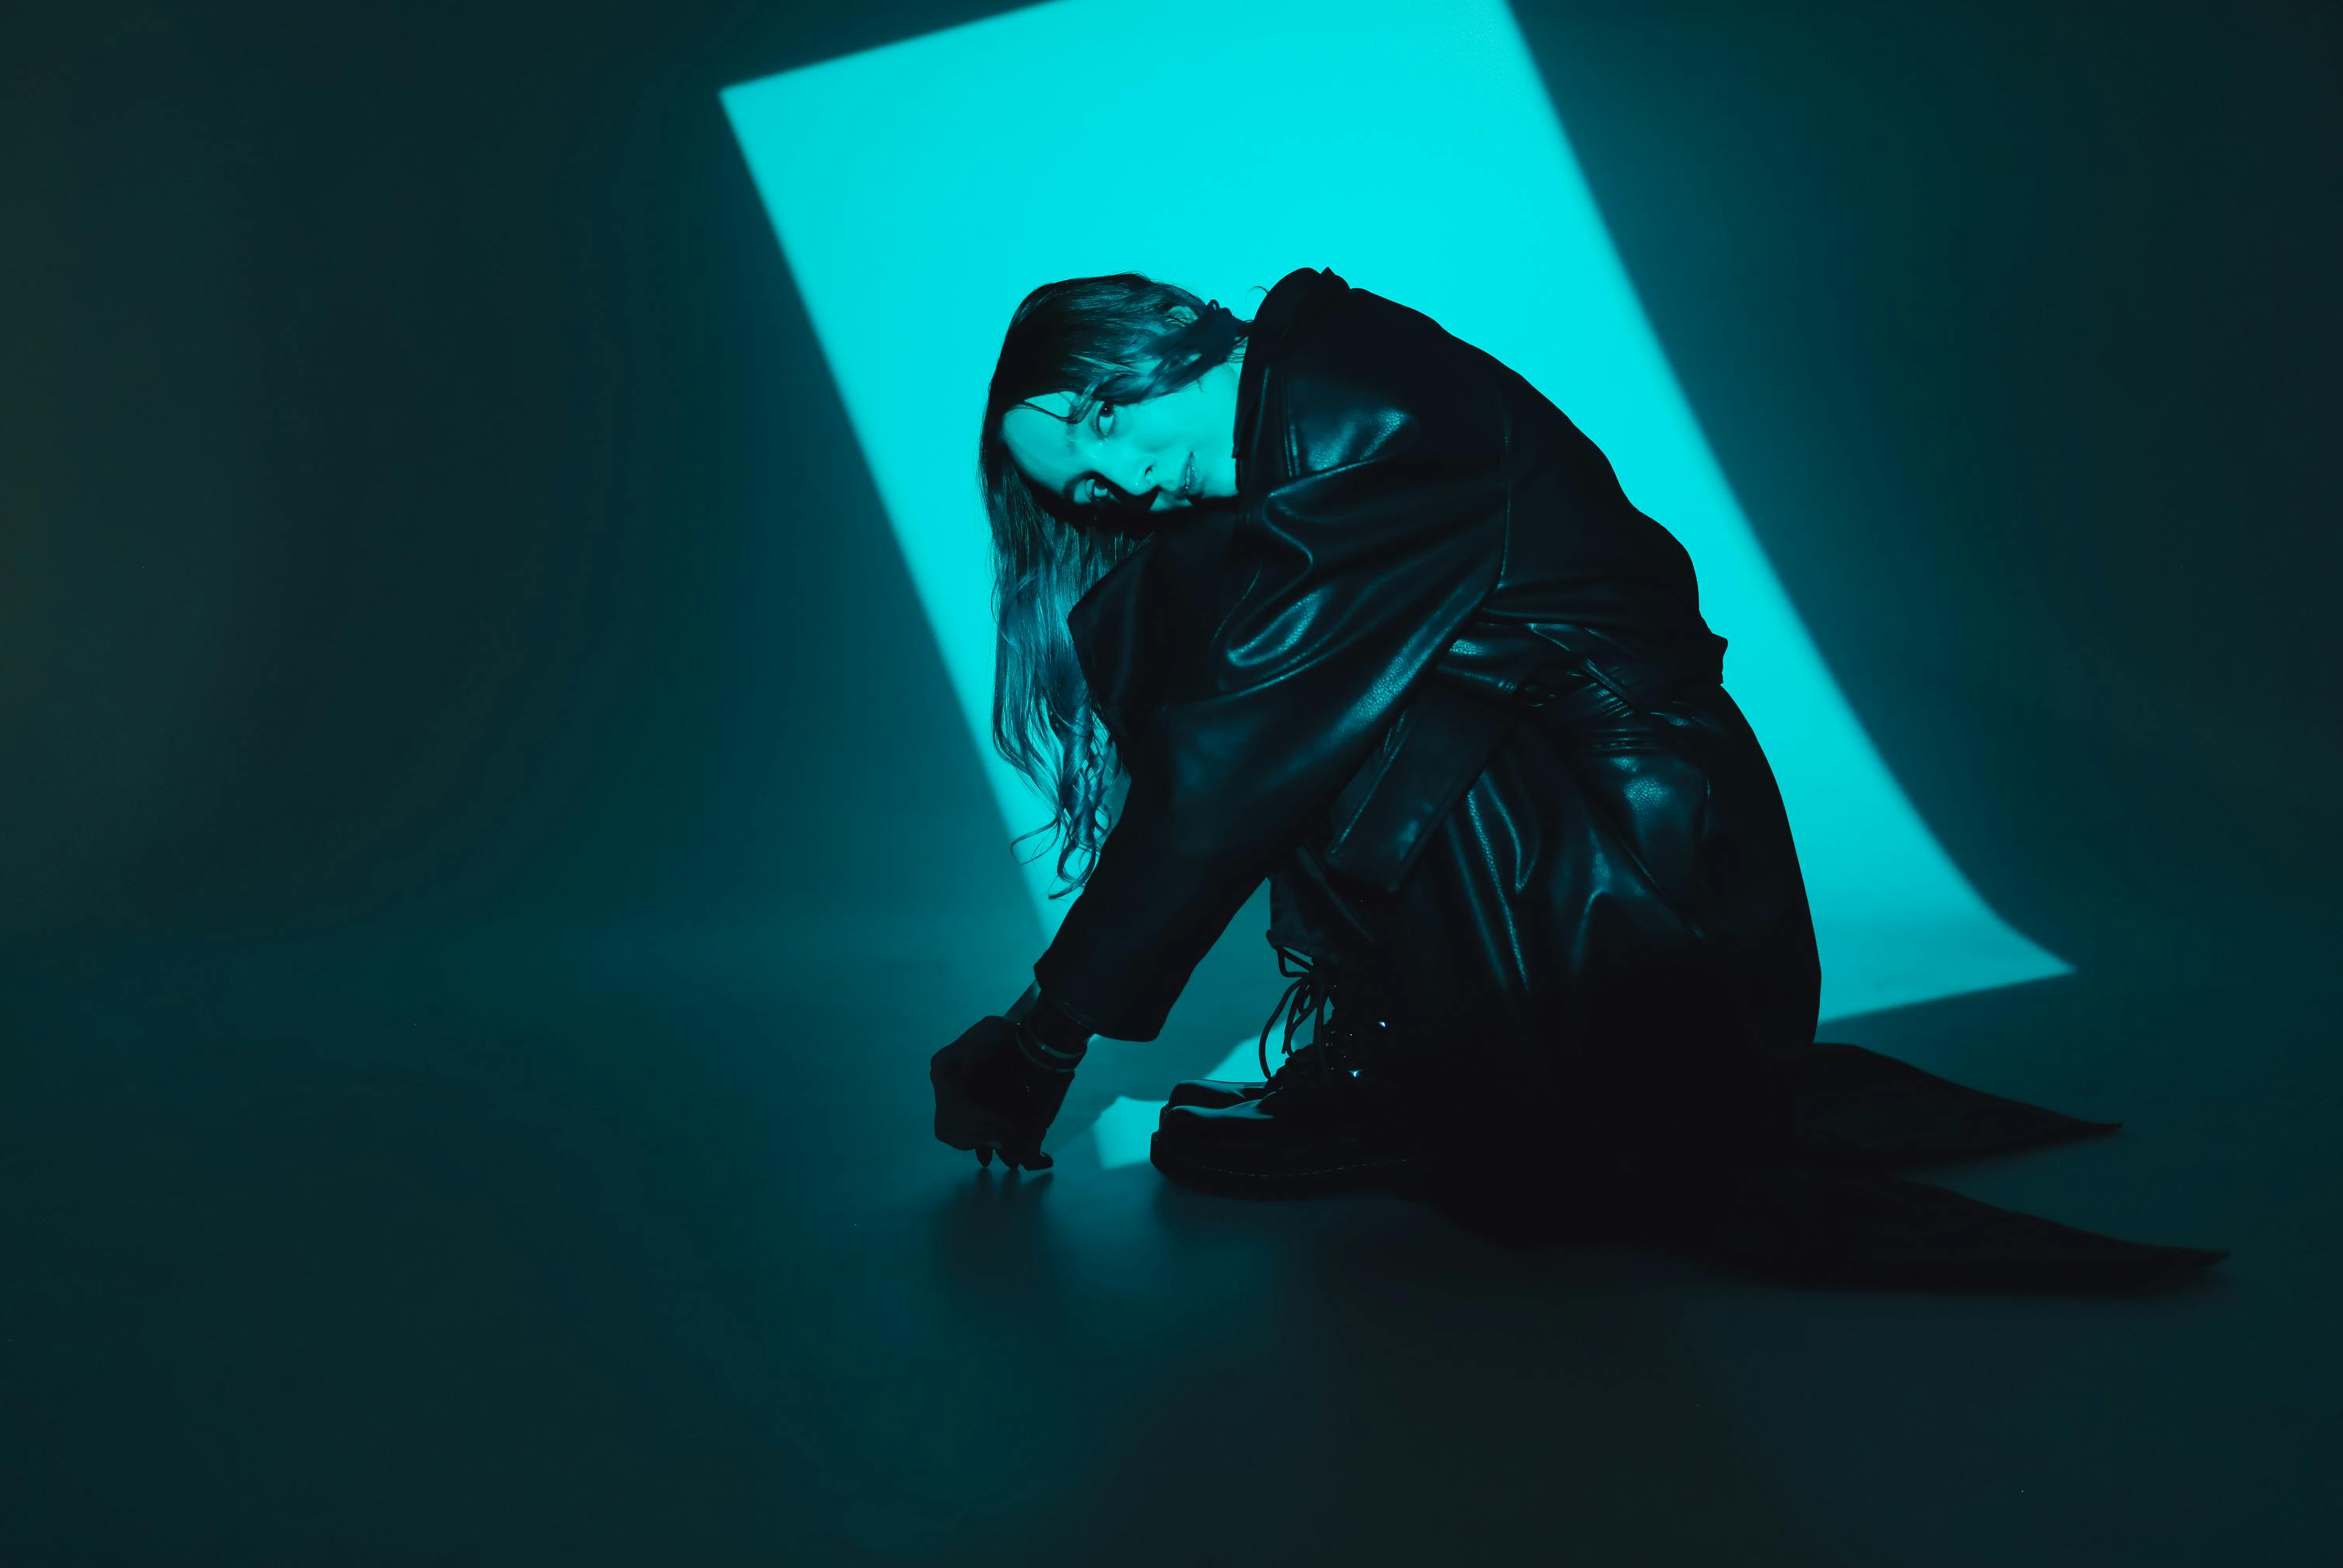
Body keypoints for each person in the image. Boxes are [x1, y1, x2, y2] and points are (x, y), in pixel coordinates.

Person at [931, 266, 2225, 1289]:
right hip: (1586, 837)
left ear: (1147, 346)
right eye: (1090, 490)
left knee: (1244, 663)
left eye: (1104, 430)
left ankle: (1427, 1063)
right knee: (1187, 598)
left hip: (1638, 885)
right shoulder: (1314, 408)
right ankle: (1407, 1042)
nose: (1128, 486)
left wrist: (1048, 1031)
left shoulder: (1360, 413)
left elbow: (1234, 761)